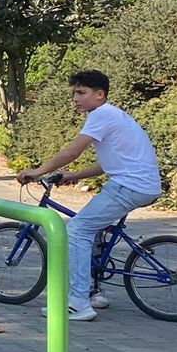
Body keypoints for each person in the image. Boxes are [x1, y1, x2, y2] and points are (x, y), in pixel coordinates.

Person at [18, 70, 165, 322]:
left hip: (129, 186)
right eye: (73, 93)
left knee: (76, 230)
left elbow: (72, 151)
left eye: (81, 93)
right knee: (93, 229)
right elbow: (110, 165)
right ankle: (95, 290)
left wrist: (39, 170)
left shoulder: (101, 115)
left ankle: (78, 303)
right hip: (141, 185)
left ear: (99, 95)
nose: (75, 98)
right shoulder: (114, 115)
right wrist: (75, 176)